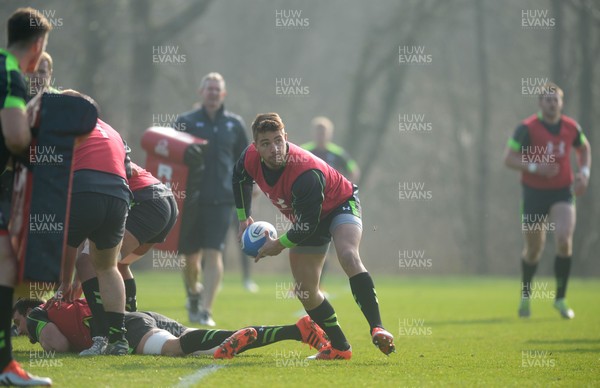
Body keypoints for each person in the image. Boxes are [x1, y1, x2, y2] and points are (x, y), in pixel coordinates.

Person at [232, 113, 395, 360]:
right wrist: (244, 218)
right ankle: (340, 347)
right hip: (307, 218)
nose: (274, 148)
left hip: (340, 204)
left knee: (349, 256)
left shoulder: (305, 173)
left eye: (278, 140)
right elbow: (239, 179)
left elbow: (305, 227)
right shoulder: (249, 157)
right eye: (266, 143)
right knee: (305, 291)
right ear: (255, 147)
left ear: (286, 137)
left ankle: (378, 327)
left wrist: (277, 245)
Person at [503, 83, 591, 319]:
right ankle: (525, 295)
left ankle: (560, 299)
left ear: (561, 103)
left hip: (562, 191)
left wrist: (584, 173)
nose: (552, 104)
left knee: (563, 238)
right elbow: (509, 158)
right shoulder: (526, 128)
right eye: (548, 100)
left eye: (556, 100)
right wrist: (535, 167)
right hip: (533, 193)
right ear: (540, 103)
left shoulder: (572, 128)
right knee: (534, 249)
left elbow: (584, 148)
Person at [75, 161, 178, 355]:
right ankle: (133, 323)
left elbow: (85, 225)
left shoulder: (77, 159)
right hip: (165, 200)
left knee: (88, 262)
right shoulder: (104, 142)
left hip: (145, 202)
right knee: (120, 264)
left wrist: (72, 281)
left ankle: (105, 337)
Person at [57, 90, 132, 355]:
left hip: (86, 189)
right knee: (108, 266)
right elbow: (128, 168)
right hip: (120, 194)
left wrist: (65, 282)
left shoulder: (65, 125)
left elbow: (68, 242)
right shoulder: (112, 130)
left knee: (67, 240)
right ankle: (118, 339)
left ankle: (98, 331)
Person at [0, 7, 52, 386]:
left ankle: (5, 365)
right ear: (37, 46)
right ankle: (5, 366)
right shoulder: (11, 75)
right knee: (5, 261)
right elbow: (16, 135)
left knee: (3, 256)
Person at [12, 298, 329, 359]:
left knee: (177, 348)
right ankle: (295, 330)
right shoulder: (60, 304)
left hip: (128, 328)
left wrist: (41, 338)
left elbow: (59, 344)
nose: (21, 330)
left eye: (18, 323)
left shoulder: (40, 315)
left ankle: (294, 331)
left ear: (28, 310)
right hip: (137, 315)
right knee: (208, 344)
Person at [175, 72, 248, 326]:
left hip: (222, 199)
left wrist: (252, 187)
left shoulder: (234, 124)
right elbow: (172, 159)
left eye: (218, 89)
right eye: (209, 89)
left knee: (214, 252)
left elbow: (245, 161)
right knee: (190, 258)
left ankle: (206, 310)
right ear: (201, 92)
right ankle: (193, 293)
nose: (214, 93)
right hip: (190, 199)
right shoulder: (185, 122)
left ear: (224, 94)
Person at [301, 116, 360, 183]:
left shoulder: (338, 153)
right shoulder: (303, 151)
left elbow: (353, 171)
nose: (320, 136)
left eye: (323, 133)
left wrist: (345, 188)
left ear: (330, 134)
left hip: (331, 191)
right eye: (318, 133)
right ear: (313, 133)